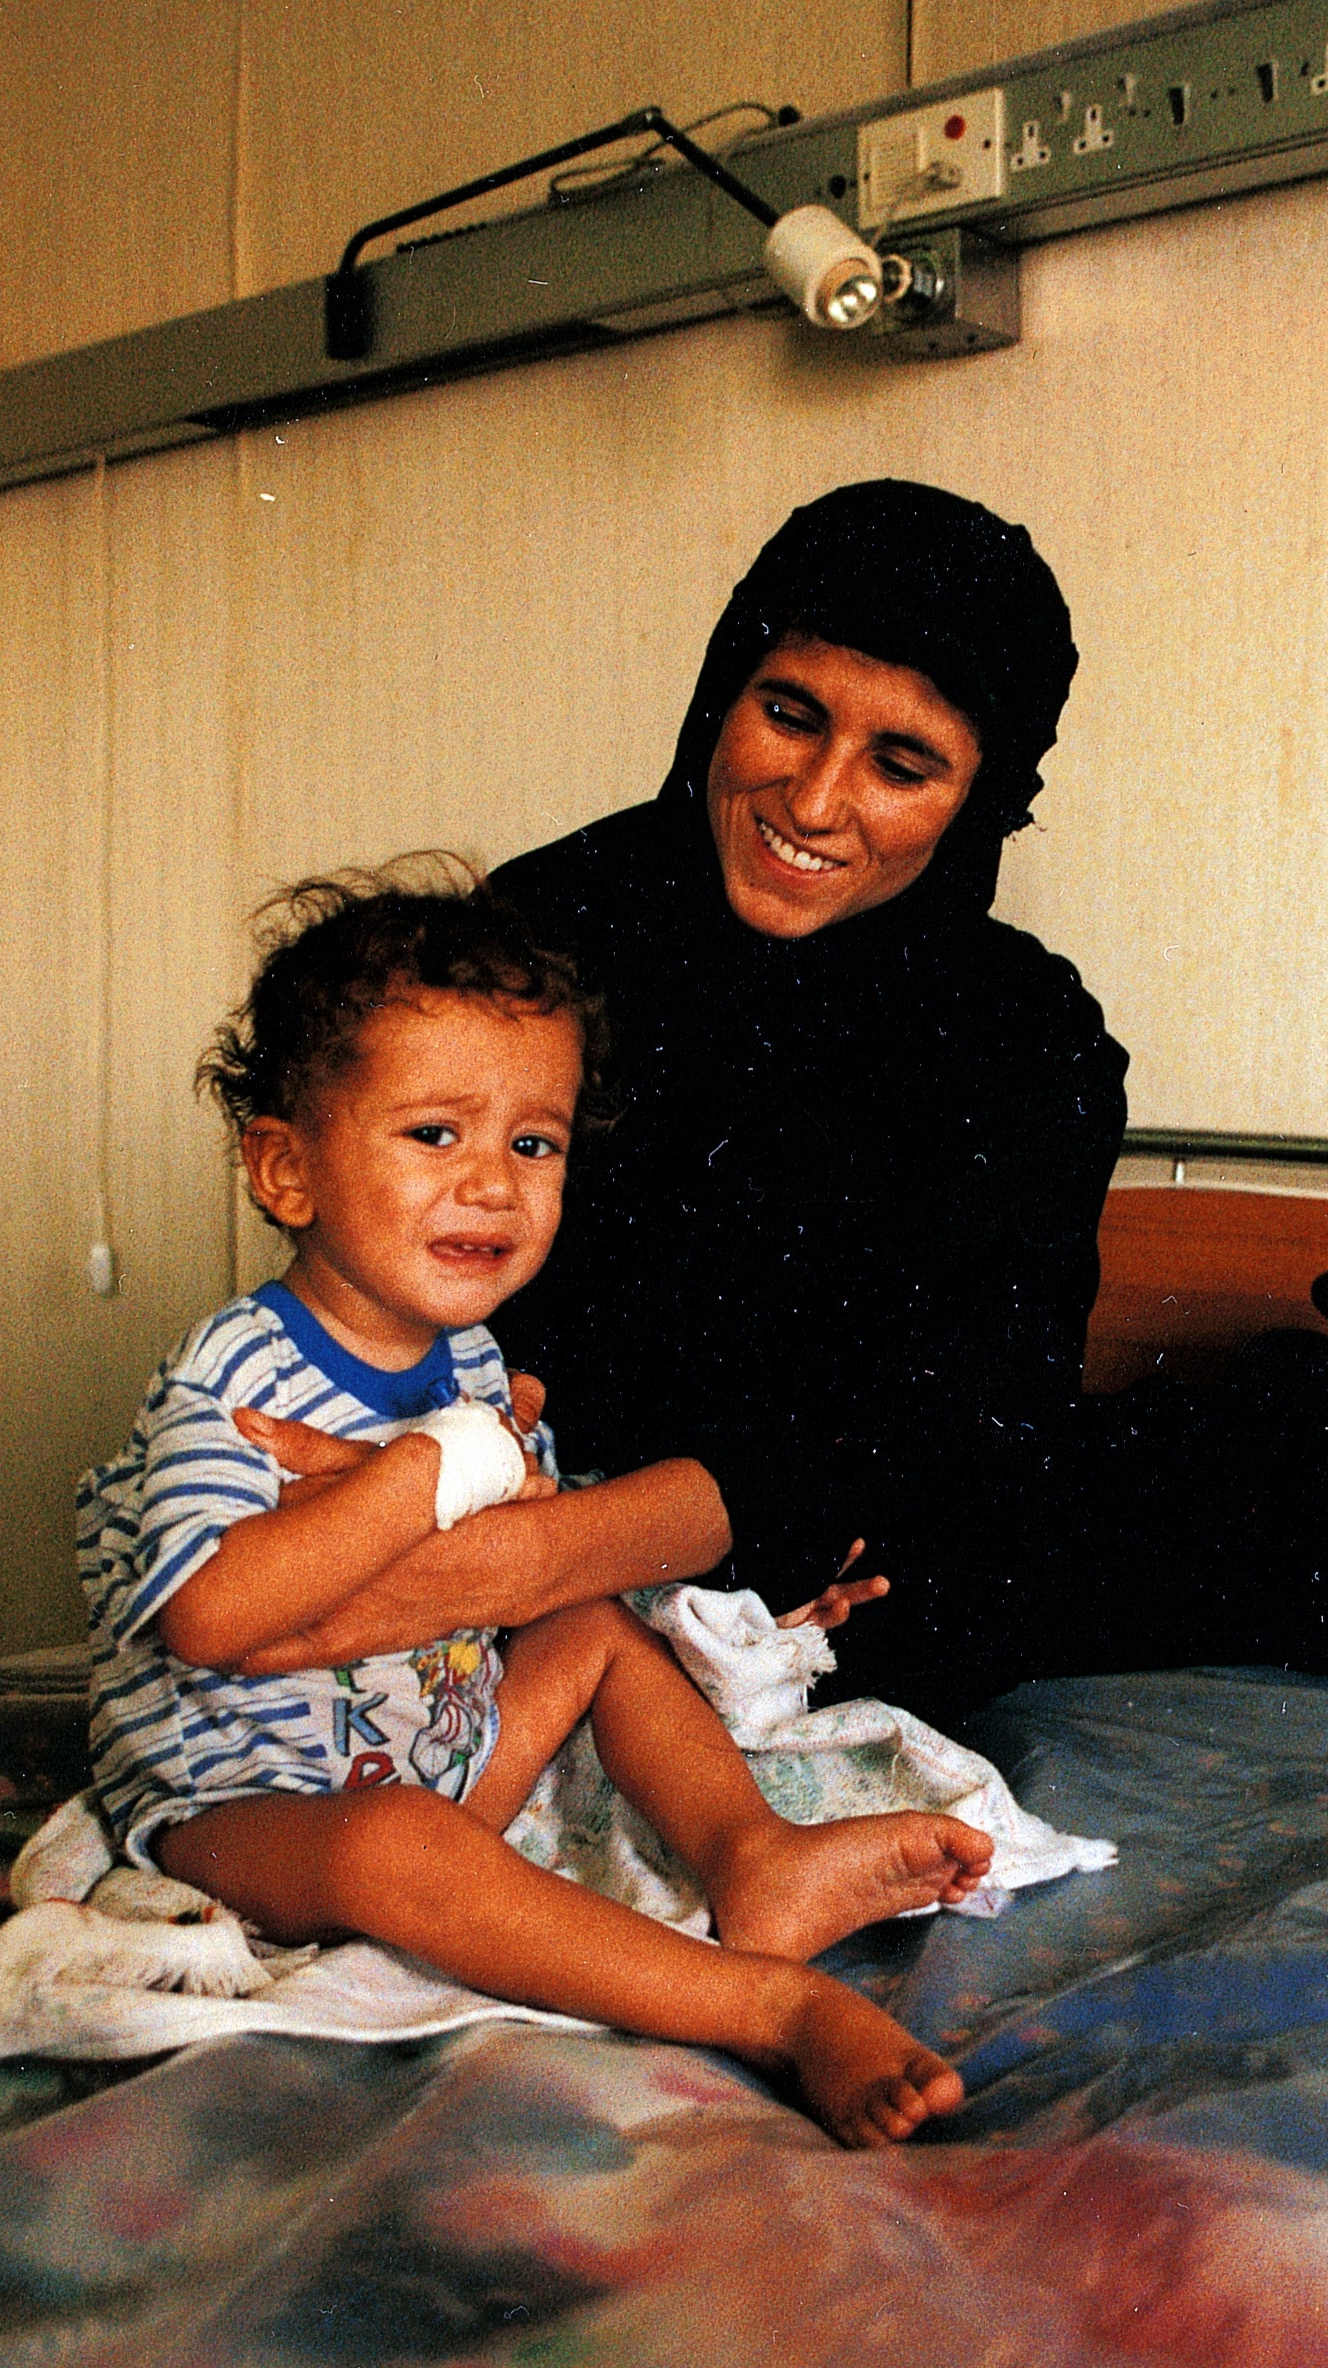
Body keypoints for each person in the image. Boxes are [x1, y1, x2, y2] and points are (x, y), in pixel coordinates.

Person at [80, 867, 994, 2147]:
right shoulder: (235, 1373)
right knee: (392, 1845)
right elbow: (207, 1619)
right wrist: (424, 1472)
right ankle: (773, 2010)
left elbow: (534, 1570)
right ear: (285, 1170)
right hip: (250, 1815)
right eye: (434, 1134)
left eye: (533, 1143)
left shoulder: (470, 1367)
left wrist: (756, 1624)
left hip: (442, 1766)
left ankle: (752, 1857)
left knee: (599, 1637)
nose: (494, 1184)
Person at [488, 479, 1132, 1718]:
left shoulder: (1025, 1044)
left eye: (902, 765)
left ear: (982, 801)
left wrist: (546, 1557)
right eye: (789, 714)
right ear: (721, 692)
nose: (815, 802)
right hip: (513, 1513)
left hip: (814, 1585)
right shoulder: (538, 935)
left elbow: (955, 1438)